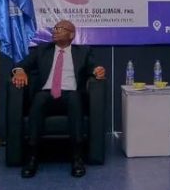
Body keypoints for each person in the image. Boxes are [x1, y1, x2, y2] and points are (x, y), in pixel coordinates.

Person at [11, 19, 106, 178]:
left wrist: (98, 70)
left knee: (75, 99)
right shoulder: (42, 50)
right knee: (39, 99)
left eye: (60, 28)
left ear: (71, 35)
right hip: (47, 93)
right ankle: (32, 157)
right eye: (54, 28)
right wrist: (19, 71)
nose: (55, 31)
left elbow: (93, 67)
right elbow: (22, 64)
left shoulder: (83, 51)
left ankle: (77, 158)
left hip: (71, 94)